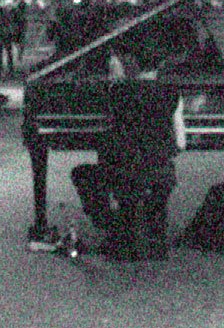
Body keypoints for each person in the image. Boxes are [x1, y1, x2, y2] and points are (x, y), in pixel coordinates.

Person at [70, 78, 182, 260]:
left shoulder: (117, 91)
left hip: (123, 169)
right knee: (145, 173)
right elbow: (180, 143)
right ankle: (153, 236)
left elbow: (108, 137)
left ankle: (113, 226)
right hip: (160, 170)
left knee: (81, 173)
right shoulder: (171, 91)